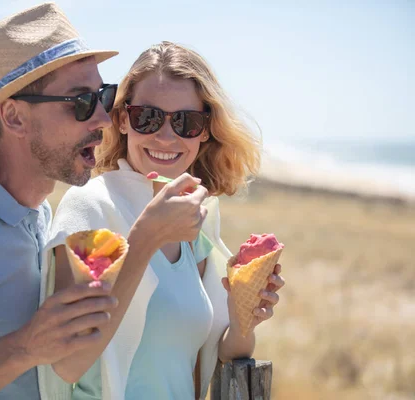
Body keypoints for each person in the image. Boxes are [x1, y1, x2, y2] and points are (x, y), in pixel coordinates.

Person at [0, 5, 209, 400]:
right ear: (13, 118)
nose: (103, 118)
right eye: (81, 102)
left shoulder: (38, 211)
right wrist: (24, 348)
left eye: (103, 96)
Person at [40, 41, 286, 399]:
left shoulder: (197, 222)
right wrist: (146, 239)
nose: (166, 136)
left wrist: (242, 316)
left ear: (205, 131)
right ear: (122, 120)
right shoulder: (92, 209)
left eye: (186, 122)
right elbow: (67, 362)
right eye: (148, 117)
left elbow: (219, 355)